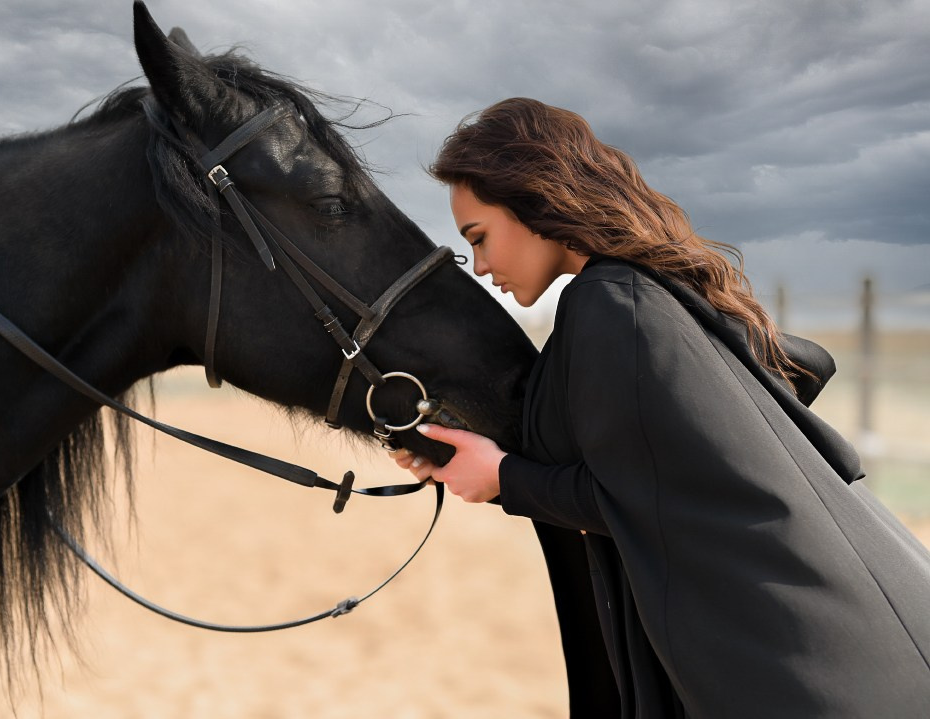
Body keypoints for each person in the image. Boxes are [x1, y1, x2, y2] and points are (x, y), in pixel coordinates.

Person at [394, 97, 930, 718]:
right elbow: (643, 465)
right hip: (839, 614)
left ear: (532, 199)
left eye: (479, 238)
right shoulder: (639, 291)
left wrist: (503, 479)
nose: (482, 266)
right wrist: (473, 462)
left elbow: (653, 493)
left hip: (801, 652)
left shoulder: (611, 303)